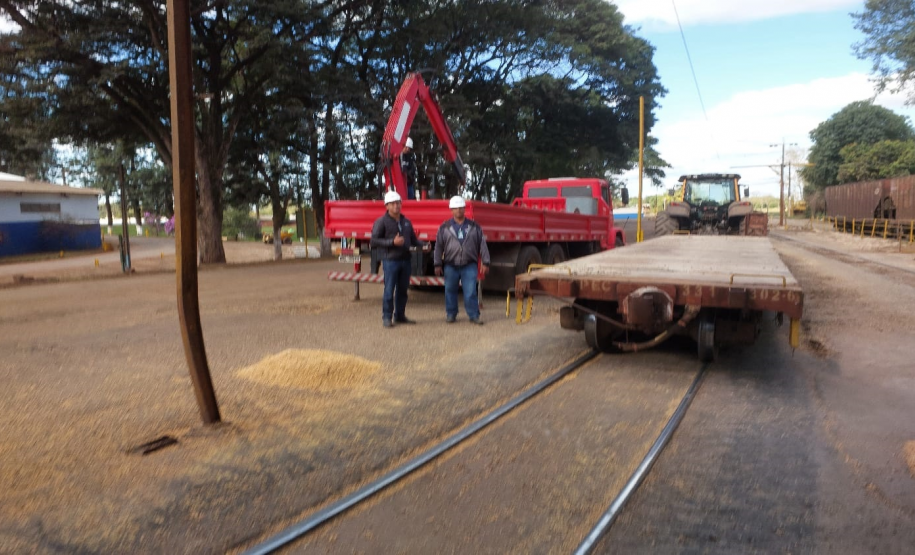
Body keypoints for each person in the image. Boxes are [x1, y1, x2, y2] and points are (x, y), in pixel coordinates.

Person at [371, 190, 425, 328]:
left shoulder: (406, 222)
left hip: (406, 260)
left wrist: (424, 245)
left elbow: (413, 239)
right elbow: (374, 241)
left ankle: (400, 316)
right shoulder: (381, 222)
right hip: (390, 261)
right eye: (393, 204)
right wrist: (391, 243)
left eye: (398, 203)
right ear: (387, 206)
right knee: (389, 290)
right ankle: (387, 317)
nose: (396, 206)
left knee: (402, 290)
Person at [434, 196, 490, 325]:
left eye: (461, 207)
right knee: (450, 290)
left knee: (470, 291)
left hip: (469, 264)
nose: (458, 210)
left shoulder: (474, 227)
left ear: (465, 209)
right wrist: (437, 263)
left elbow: (482, 245)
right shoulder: (444, 227)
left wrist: (485, 262)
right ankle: (451, 314)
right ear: (451, 210)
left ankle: (474, 315)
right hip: (450, 265)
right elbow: (438, 246)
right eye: (455, 208)